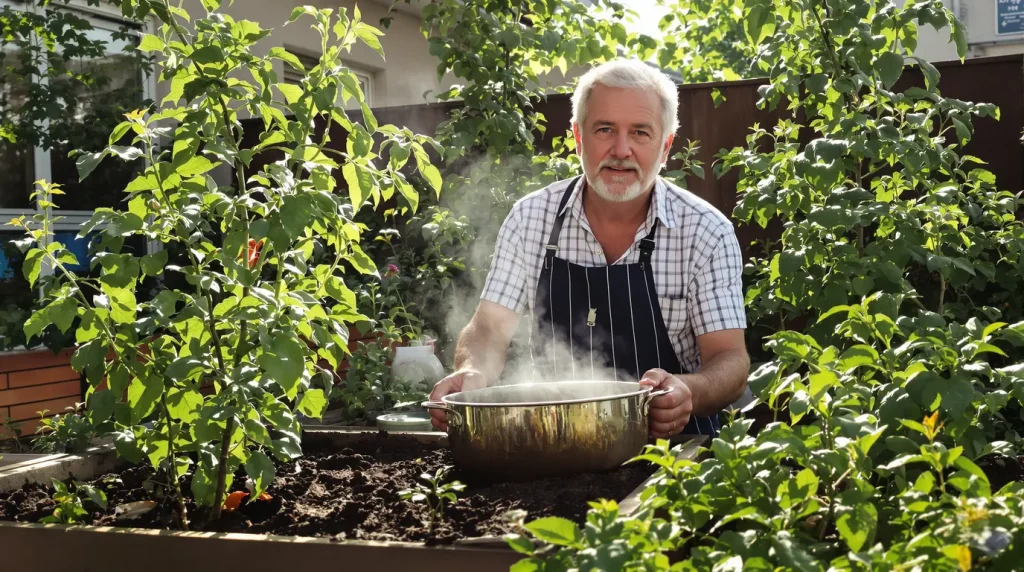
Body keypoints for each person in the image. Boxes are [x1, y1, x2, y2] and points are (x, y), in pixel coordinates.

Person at [429, 58, 749, 438]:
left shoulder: (705, 231)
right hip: (555, 444)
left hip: (677, 450)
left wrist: (688, 391)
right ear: (579, 138)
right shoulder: (530, 219)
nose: (621, 149)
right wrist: (471, 371)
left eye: (640, 132)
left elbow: (729, 358)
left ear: (665, 148)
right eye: (604, 129)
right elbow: (488, 330)